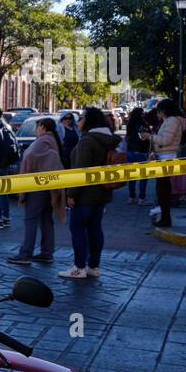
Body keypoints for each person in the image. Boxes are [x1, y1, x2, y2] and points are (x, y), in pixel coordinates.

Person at [59, 107, 121, 280]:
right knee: (95, 229)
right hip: (101, 193)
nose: (78, 121)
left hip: (85, 195)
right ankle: (93, 266)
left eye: (81, 118)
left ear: (89, 120)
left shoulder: (87, 141)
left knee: (77, 228)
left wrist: (71, 194)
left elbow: (81, 171)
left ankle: (79, 267)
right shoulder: (106, 139)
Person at [9, 117, 65, 265]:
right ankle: (47, 252)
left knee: (31, 219)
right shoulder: (52, 140)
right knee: (46, 219)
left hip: (37, 186)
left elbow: (31, 156)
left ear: (43, 127)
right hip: (48, 186)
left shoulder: (43, 141)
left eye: (38, 126)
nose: (36, 129)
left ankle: (25, 253)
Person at [151, 98, 184, 228]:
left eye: (159, 111)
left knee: (164, 191)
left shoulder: (172, 121)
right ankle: (164, 217)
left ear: (164, 110)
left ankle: (165, 219)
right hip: (164, 157)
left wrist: (151, 137)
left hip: (167, 158)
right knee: (162, 190)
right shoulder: (171, 121)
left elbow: (166, 140)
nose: (158, 114)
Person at [123, 106, 151, 205]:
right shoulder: (142, 125)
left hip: (131, 151)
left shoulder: (129, 125)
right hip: (141, 152)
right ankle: (142, 198)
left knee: (132, 176)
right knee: (143, 176)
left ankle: (131, 196)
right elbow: (146, 138)